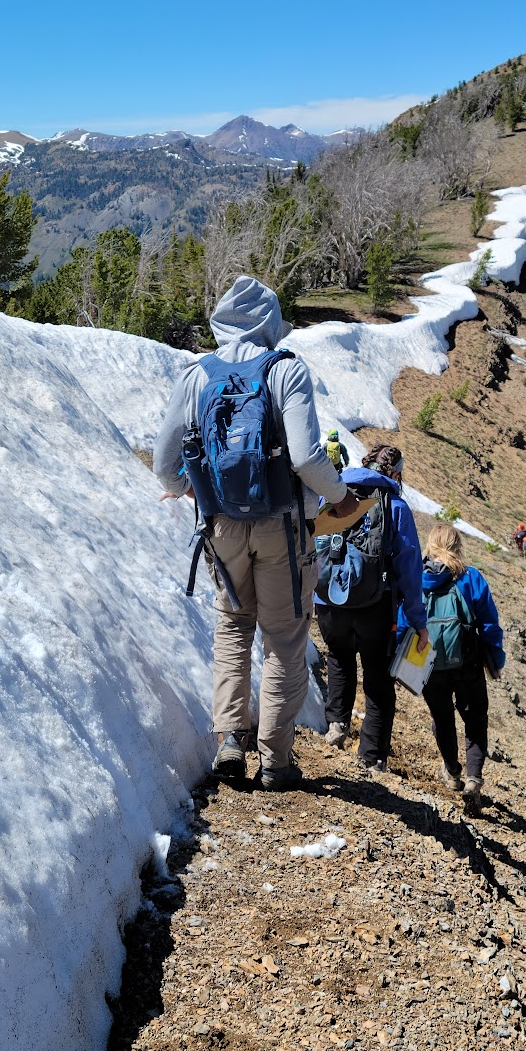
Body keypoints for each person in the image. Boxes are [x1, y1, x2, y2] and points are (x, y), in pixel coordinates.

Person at [153, 275, 354, 791]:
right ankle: (275, 760)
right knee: (284, 638)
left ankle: (229, 740)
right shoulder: (285, 370)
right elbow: (308, 456)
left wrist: (189, 489)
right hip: (282, 527)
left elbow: (165, 464)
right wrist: (338, 497)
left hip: (220, 525)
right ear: (270, 319)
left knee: (233, 628)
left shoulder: (197, 374)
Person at [315, 444, 427, 771]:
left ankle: (336, 724)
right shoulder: (395, 507)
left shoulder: (332, 494)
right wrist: (418, 622)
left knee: (338, 656)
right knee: (377, 677)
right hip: (376, 607)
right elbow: (410, 571)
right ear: (393, 473)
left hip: (329, 600)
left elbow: (315, 545)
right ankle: (372, 755)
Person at [407, 523, 505, 813]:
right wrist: (496, 660)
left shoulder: (418, 577)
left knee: (442, 718)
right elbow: (489, 625)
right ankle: (474, 779)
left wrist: (402, 665)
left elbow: (405, 618)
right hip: (469, 663)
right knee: (475, 719)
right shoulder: (470, 577)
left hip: (430, 663)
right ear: (457, 546)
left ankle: (452, 771)